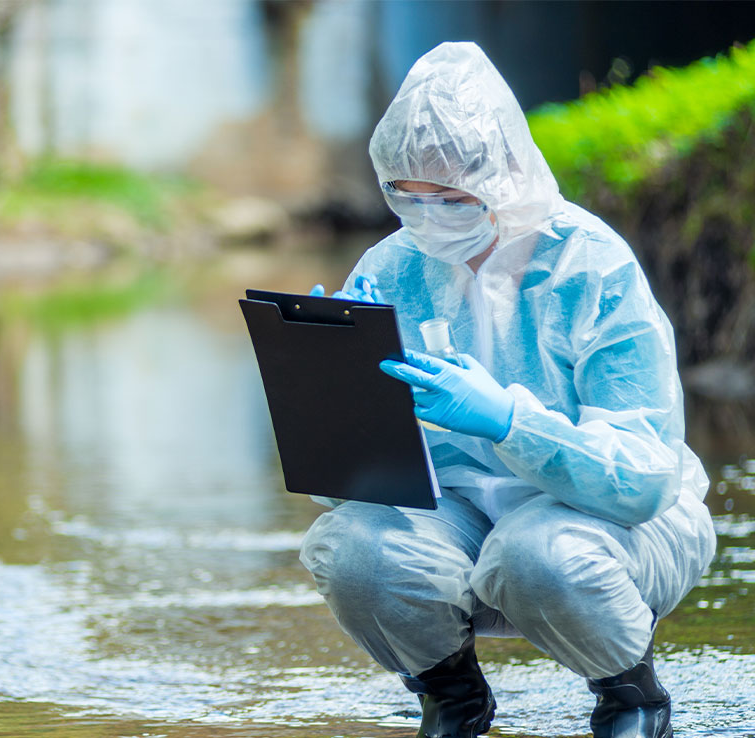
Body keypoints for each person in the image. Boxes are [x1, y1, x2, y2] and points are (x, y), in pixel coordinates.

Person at [301, 42, 716, 738]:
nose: (428, 216)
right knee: (354, 548)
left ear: (506, 176)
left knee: (537, 554)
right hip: (459, 519)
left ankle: (632, 696)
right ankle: (452, 697)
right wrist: (331, 387)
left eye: (453, 198)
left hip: (605, 526)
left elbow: (643, 479)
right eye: (406, 194)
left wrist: (508, 421)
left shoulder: (590, 264)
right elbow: (340, 491)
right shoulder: (395, 264)